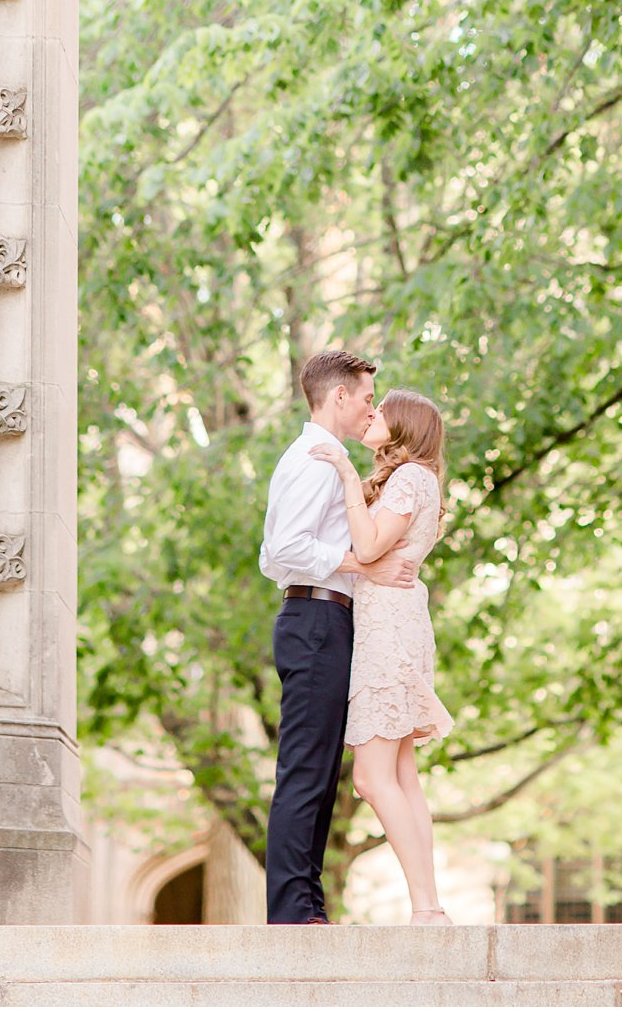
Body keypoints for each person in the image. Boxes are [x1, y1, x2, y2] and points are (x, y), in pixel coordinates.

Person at [258, 348, 415, 925]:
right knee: (306, 769)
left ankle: (306, 906)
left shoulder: (324, 459)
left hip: (324, 621)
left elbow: (273, 551)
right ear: (340, 395)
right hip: (315, 622)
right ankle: (292, 914)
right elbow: (280, 553)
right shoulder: (314, 460)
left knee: (321, 774)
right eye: (368, 397)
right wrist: (360, 564)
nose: (372, 407)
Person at [309, 388, 454, 925]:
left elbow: (369, 550)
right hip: (392, 624)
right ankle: (429, 906)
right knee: (402, 776)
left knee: (372, 779)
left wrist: (348, 477)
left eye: (381, 410)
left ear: (404, 427)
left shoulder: (411, 477)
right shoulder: (413, 480)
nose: (372, 415)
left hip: (389, 632)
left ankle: (426, 907)